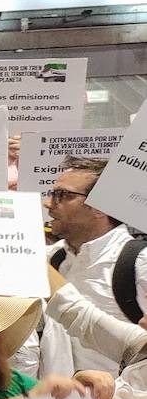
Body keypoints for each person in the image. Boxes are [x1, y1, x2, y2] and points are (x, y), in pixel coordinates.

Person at [45, 156, 147, 374]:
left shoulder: (139, 263)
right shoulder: (52, 258)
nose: (48, 203)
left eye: (63, 195)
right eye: (52, 194)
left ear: (101, 206)